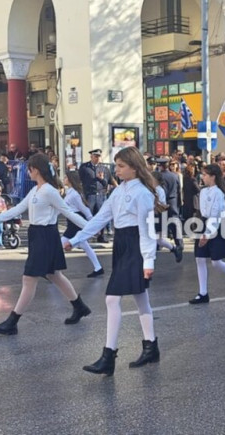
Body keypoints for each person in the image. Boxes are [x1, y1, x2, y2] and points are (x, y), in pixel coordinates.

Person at [64, 147, 162, 375]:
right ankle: (151, 347)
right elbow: (99, 219)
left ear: (135, 168)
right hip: (121, 244)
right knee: (140, 297)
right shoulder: (118, 193)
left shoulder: (143, 194)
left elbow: (147, 229)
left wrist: (149, 261)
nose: (115, 170)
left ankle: (109, 355)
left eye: (121, 166)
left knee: (111, 298)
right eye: (116, 165)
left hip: (135, 245)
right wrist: (76, 240)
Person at [0, 153, 90, 336]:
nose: (27, 172)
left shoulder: (49, 191)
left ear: (35, 170)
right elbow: (17, 209)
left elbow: (69, 213)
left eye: (29, 169)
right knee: (54, 275)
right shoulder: (36, 190)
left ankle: (12, 321)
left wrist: (92, 228)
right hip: (37, 235)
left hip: (46, 235)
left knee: (29, 279)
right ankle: (79, 306)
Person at [189, 163, 225, 304]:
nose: (203, 177)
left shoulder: (218, 193)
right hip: (203, 223)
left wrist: (207, 234)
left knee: (216, 262)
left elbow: (216, 215)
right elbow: (203, 211)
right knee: (199, 259)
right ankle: (203, 293)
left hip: (215, 227)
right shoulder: (203, 191)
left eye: (205, 174)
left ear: (213, 176)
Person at [61, 171, 105, 276]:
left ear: (71, 180)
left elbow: (85, 210)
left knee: (60, 246)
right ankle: (98, 268)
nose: (64, 179)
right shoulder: (70, 192)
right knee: (85, 245)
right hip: (72, 222)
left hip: (75, 224)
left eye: (66, 177)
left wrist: (94, 225)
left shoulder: (75, 194)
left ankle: (53, 271)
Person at [79, 149, 109, 243]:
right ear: (91, 156)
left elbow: (106, 183)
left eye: (99, 156)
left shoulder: (103, 168)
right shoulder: (84, 167)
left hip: (100, 195)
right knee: (88, 216)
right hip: (89, 194)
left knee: (101, 217)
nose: (97, 158)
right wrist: (81, 194)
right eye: (95, 156)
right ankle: (86, 236)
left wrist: (102, 179)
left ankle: (101, 236)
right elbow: (80, 180)